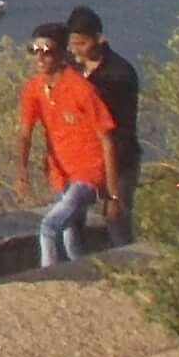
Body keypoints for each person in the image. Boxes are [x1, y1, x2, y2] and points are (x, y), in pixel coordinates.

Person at [13, 21, 117, 269]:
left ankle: (48, 278)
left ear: (61, 53)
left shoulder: (81, 89)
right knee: (71, 237)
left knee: (49, 226)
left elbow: (107, 138)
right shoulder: (35, 88)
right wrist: (22, 171)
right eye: (34, 50)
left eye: (46, 51)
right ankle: (89, 277)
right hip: (62, 174)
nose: (39, 57)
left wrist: (112, 195)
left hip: (88, 173)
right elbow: (26, 132)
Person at [63, 5, 143, 246]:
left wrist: (113, 193)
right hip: (82, 160)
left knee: (116, 222)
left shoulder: (120, 74)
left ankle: (128, 271)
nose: (76, 50)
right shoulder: (73, 66)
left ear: (99, 39)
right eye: (73, 44)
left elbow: (121, 130)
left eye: (82, 44)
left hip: (119, 159)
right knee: (73, 220)